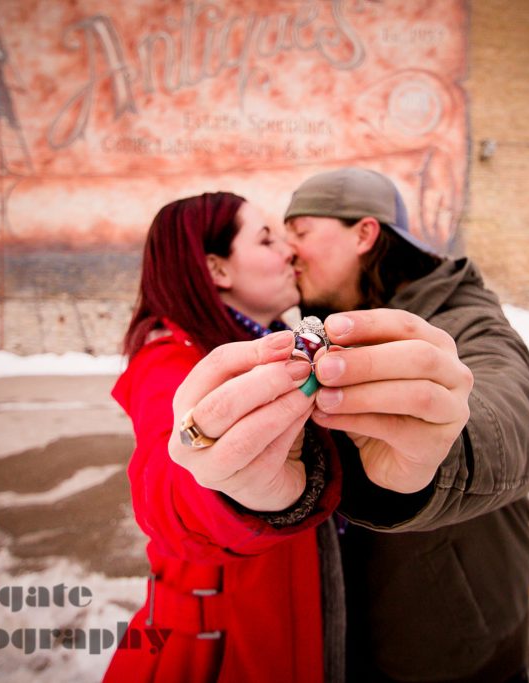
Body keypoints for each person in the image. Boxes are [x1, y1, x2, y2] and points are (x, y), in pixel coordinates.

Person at [279, 167, 529, 682]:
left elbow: (523, 411)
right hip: (349, 640)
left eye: (300, 231)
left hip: (449, 653)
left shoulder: (462, 314)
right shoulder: (332, 324)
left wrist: (440, 443)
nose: (288, 251)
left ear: (364, 234)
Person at [102, 193, 342, 683]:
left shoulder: (270, 344)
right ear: (217, 269)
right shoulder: (170, 362)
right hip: (212, 656)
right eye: (267, 240)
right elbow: (168, 490)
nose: (289, 252)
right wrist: (234, 490)